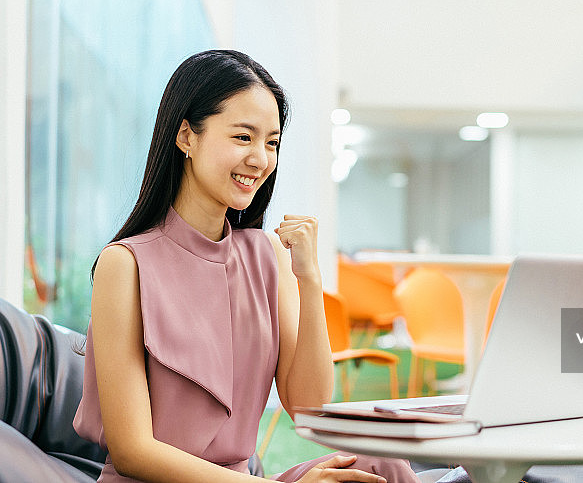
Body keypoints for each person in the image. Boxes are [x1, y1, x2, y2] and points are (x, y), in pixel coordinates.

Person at [73, 50, 421, 483]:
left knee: (381, 467)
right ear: (186, 136)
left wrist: (309, 281)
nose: (260, 158)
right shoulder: (124, 264)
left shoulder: (267, 255)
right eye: (243, 137)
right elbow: (132, 452)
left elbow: (309, 408)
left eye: (271, 142)